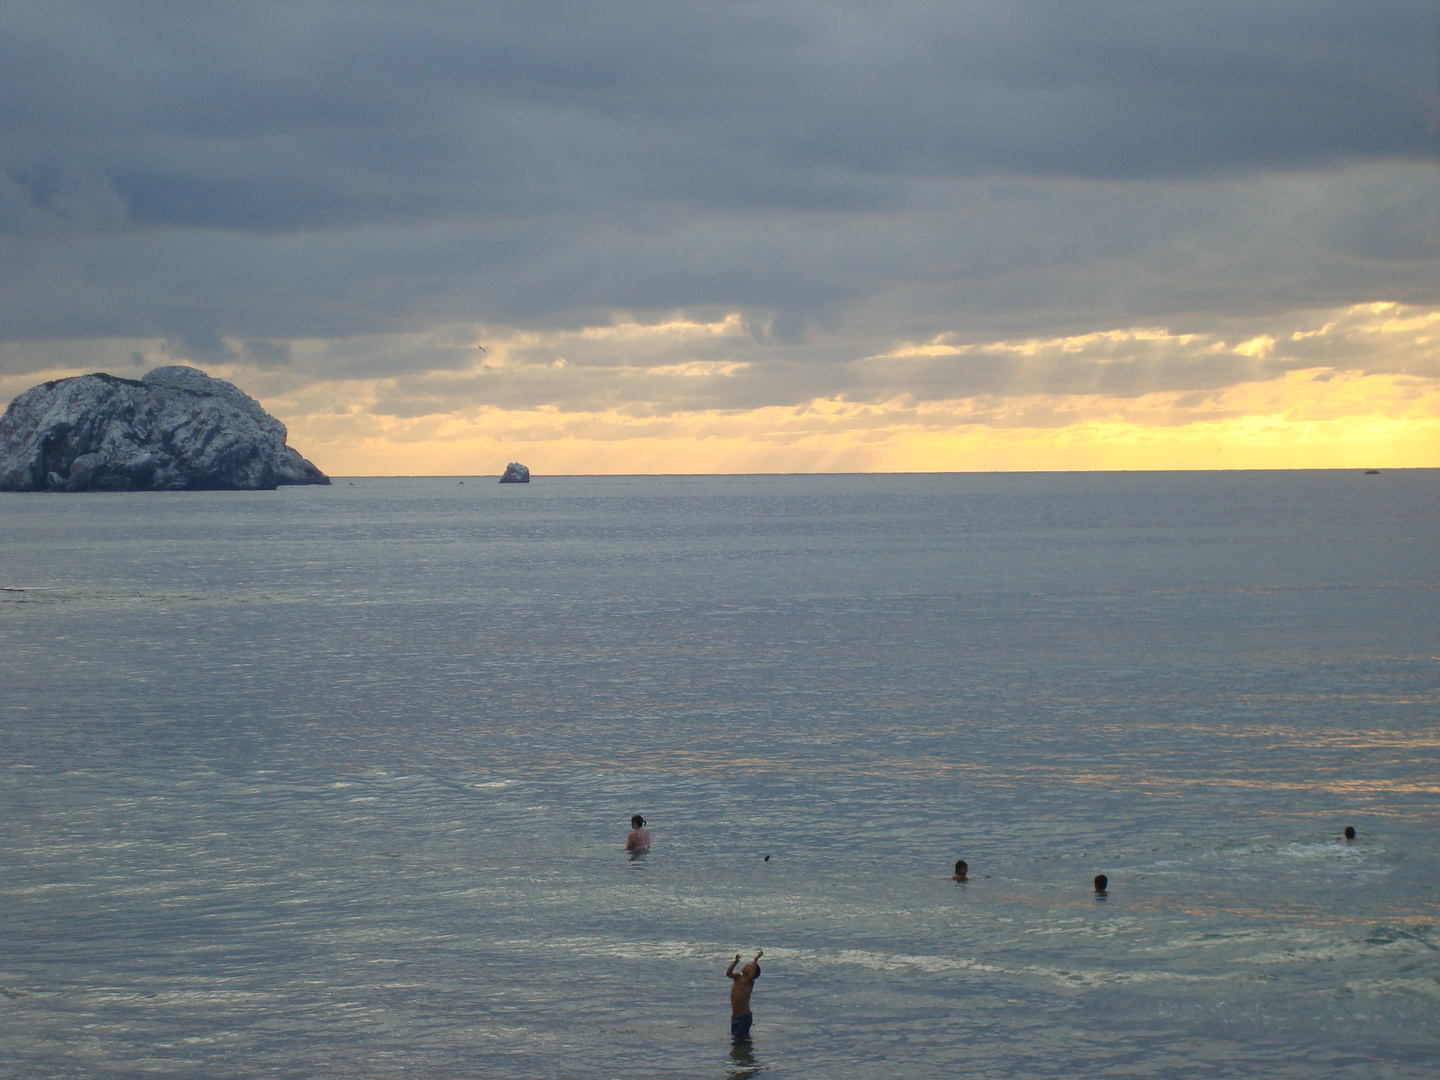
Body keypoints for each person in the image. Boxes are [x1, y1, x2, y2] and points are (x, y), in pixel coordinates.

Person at [726, 950, 763, 1041]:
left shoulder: (749, 982)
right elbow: (728, 973)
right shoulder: (737, 977)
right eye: (747, 964)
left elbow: (750, 976)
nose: (746, 965)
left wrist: (755, 961)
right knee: (737, 1040)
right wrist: (735, 962)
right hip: (735, 1017)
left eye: (749, 967)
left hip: (744, 1017)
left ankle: (747, 1053)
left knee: (740, 1041)